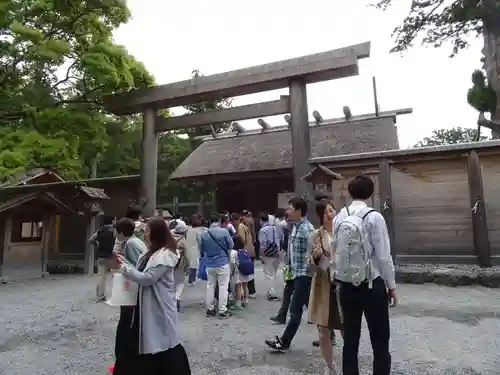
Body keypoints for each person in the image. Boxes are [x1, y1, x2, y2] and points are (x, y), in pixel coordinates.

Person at [333, 174, 397, 375]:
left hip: (346, 284)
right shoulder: (374, 217)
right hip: (372, 283)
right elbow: (383, 255)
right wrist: (391, 285)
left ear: (350, 192)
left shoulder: (339, 216)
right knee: (379, 338)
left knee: (350, 338)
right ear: (370, 193)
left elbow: (335, 249)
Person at [113, 216, 191, 375]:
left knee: (162, 342)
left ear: (156, 233)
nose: (144, 233)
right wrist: (125, 263)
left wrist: (124, 268)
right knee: (143, 340)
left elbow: (148, 278)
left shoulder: (166, 255)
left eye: (147, 230)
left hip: (159, 305)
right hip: (144, 305)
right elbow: (140, 272)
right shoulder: (149, 252)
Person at [265, 197, 314, 351]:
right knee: (312, 308)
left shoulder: (307, 229)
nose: (287, 211)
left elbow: (313, 251)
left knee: (295, 309)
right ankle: (329, 334)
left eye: (291, 208)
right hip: (295, 273)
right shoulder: (295, 226)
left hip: (304, 274)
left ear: (299, 210)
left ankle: (285, 341)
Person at [308, 200, 343, 375]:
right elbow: (311, 267)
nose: (329, 215)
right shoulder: (315, 235)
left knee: (346, 328)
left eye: (331, 210)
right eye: (325, 212)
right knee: (323, 331)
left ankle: (350, 362)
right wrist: (316, 258)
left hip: (343, 286)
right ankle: (330, 366)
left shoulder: (343, 231)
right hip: (323, 286)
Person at [112, 217, 148, 374]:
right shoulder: (135, 241)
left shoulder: (131, 244)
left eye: (116, 232)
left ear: (121, 232)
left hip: (132, 290)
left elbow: (136, 268)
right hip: (135, 290)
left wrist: (122, 263)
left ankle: (124, 357)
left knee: (126, 324)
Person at [199, 213, 234, 318]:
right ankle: (222, 310)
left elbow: (202, 250)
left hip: (209, 263)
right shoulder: (224, 231)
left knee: (210, 286)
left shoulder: (204, 234)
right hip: (222, 262)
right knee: (223, 287)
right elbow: (231, 245)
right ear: (219, 221)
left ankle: (210, 309)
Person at [88, 215, 115, 301]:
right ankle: (117, 294)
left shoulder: (100, 231)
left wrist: (97, 244)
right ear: (113, 221)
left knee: (101, 276)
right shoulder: (114, 231)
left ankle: (100, 295)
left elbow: (90, 240)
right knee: (116, 275)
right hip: (113, 256)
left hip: (101, 256)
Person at [258, 212, 282, 300]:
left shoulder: (263, 230)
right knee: (274, 273)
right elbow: (281, 239)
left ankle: (272, 293)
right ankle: (272, 291)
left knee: (268, 274)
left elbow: (263, 245)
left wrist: (261, 256)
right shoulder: (276, 228)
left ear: (261, 220)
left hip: (268, 254)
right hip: (276, 252)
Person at [228, 234, 254, 311]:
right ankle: (246, 301)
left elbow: (232, 262)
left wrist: (231, 271)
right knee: (245, 286)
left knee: (238, 286)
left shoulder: (233, 252)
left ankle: (238, 303)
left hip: (238, 271)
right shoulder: (244, 250)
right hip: (246, 270)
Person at [172, 221, 189, 312]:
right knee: (180, 282)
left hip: (169, 263)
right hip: (180, 264)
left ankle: (170, 299)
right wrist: (188, 266)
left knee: (171, 282)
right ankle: (176, 298)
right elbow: (187, 255)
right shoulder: (183, 241)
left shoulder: (169, 238)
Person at [185, 213, 205, 286]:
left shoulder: (187, 229)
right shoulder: (198, 231)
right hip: (195, 248)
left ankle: (191, 279)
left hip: (187, 247)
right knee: (194, 265)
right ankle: (191, 280)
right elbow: (200, 241)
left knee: (190, 264)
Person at [241, 210, 257, 297]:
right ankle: (251, 290)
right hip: (251, 249)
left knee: (243, 272)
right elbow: (253, 234)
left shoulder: (242, 224)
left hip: (245, 250)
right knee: (251, 271)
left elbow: (242, 240)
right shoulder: (251, 221)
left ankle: (245, 291)